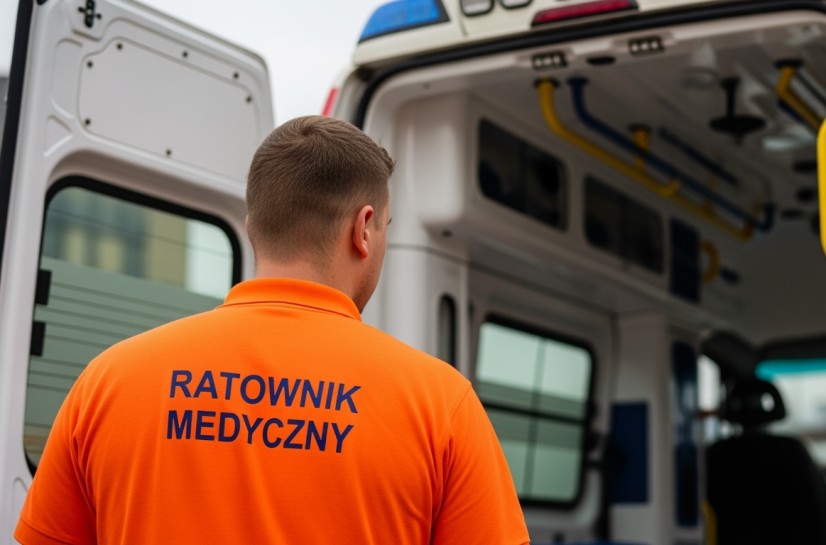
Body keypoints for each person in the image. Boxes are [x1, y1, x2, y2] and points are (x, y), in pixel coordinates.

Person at [15, 116, 530, 545]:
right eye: (385, 229)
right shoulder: (440, 405)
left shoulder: (107, 380)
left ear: (252, 227)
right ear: (363, 228)